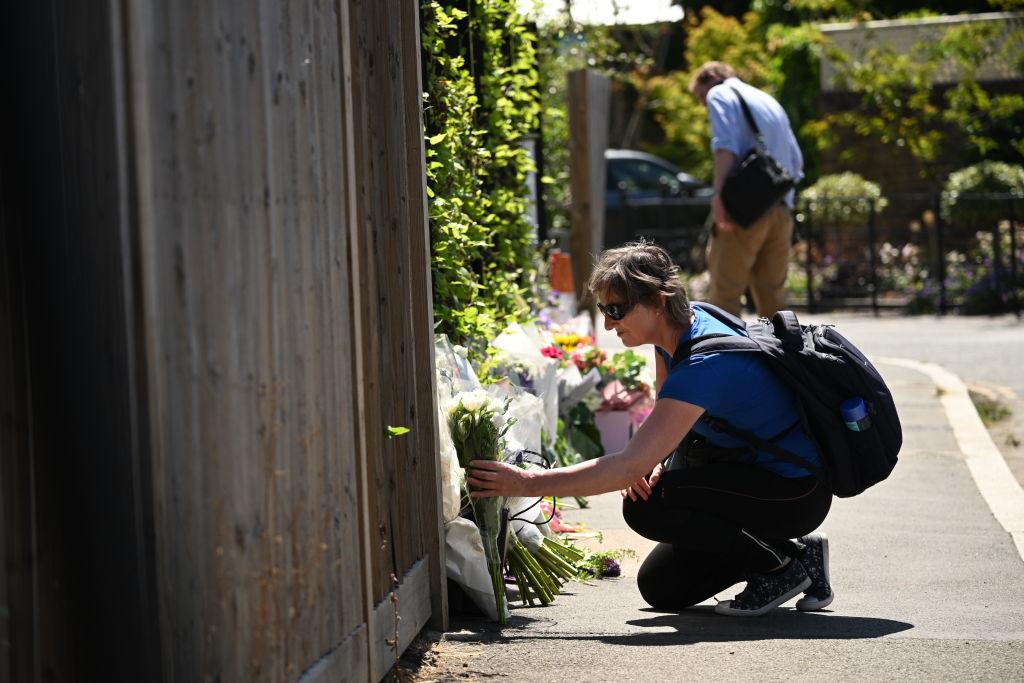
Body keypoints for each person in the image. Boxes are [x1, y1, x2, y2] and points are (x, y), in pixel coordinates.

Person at [468, 242, 833, 616]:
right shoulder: (674, 334)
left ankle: (780, 570)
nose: (609, 322)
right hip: (749, 475)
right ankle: (801, 553)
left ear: (658, 301)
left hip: (793, 492)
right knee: (662, 588)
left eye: (616, 309)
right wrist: (657, 460)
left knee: (647, 507)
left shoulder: (703, 365)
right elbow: (668, 419)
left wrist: (527, 484)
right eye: (603, 309)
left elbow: (627, 467)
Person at [690, 61, 804, 319]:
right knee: (773, 302)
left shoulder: (720, 93)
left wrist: (719, 196)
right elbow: (796, 162)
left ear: (711, 76)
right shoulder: (768, 100)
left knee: (724, 297)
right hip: (781, 207)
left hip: (744, 211)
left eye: (700, 96)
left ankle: (729, 359)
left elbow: (725, 147)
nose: (703, 103)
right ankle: (781, 359)